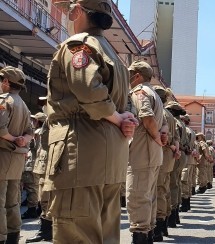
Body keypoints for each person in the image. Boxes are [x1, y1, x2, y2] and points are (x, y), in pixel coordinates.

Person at [44, 1, 137, 242]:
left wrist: (117, 117)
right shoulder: (113, 55)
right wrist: (120, 119)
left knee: (76, 232)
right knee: (105, 234)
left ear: (78, 11)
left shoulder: (78, 46)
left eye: (69, 8)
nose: (67, 13)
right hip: (109, 155)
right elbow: (124, 104)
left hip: (81, 152)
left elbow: (88, 89)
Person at [126, 60, 167, 243]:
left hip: (142, 152)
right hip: (151, 153)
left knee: (137, 196)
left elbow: (147, 118)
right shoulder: (154, 94)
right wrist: (160, 137)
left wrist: (157, 137)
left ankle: (141, 235)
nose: (128, 78)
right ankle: (148, 233)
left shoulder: (140, 92)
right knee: (148, 197)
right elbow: (163, 123)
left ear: (137, 76)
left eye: (130, 74)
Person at [0, 66, 33, 243]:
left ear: (5, 82)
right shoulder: (24, 104)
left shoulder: (4, 101)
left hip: (3, 155)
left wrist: (13, 138)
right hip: (17, 158)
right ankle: (13, 235)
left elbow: (1, 129)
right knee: (13, 200)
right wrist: (22, 139)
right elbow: (31, 131)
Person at [153, 86, 180, 240]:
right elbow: (176, 137)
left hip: (161, 154)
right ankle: (163, 225)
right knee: (165, 189)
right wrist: (175, 149)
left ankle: (159, 226)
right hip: (168, 156)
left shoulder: (161, 113)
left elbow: (166, 136)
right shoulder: (170, 115)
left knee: (158, 191)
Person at [20, 113, 46, 220]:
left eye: (34, 120)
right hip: (35, 162)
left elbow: (36, 147)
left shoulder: (38, 132)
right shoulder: (43, 132)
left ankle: (32, 209)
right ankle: (35, 208)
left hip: (33, 162)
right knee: (34, 187)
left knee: (32, 187)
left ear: (38, 121)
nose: (32, 122)